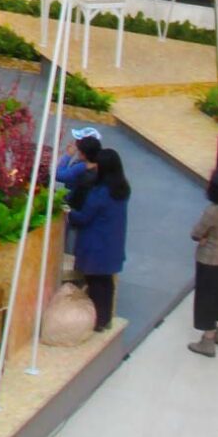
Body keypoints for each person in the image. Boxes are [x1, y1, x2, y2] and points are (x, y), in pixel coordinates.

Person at [68, 147, 130, 331]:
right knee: (106, 282)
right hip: (113, 244)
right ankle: (105, 318)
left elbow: (83, 217)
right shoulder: (122, 189)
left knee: (95, 283)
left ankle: (96, 320)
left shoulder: (100, 193)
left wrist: (68, 213)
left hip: (95, 245)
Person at [188, 173, 218, 356]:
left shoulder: (213, 211)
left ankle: (207, 339)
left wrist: (202, 238)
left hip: (208, 259)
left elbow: (196, 232)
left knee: (206, 297)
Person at [57, 127, 103, 208]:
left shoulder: (82, 166)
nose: (75, 143)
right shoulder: (99, 162)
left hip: (73, 202)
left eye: (78, 142)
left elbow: (59, 175)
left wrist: (68, 155)